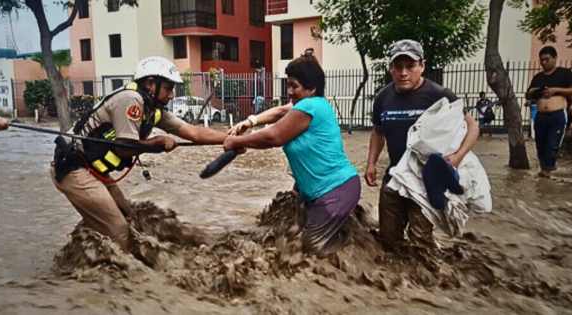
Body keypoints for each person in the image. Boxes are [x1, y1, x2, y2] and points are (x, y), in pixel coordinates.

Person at [50, 56, 229, 251]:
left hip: (94, 170)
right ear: (151, 83)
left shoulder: (153, 110)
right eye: (168, 88)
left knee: (130, 217)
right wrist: (156, 142)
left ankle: (85, 250)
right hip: (73, 167)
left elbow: (194, 132)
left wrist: (231, 139)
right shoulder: (131, 100)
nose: (171, 95)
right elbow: (124, 147)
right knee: (120, 230)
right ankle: (116, 275)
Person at [224, 54, 360, 258]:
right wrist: (249, 122)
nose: (289, 91)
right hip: (327, 191)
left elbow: (273, 137)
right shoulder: (311, 104)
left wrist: (236, 142)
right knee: (296, 241)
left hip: (335, 191)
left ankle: (353, 254)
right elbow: (279, 111)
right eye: (288, 85)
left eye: (294, 86)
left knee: (312, 249)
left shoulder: (310, 106)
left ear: (312, 88)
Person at [364, 39, 479, 251]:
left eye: (410, 66)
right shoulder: (383, 97)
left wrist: (457, 157)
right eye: (398, 67)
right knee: (388, 242)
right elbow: (378, 131)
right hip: (394, 177)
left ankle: (430, 281)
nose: (404, 73)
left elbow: (472, 127)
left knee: (420, 244)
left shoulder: (439, 95)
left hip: (426, 182)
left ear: (422, 66)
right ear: (391, 68)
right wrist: (371, 163)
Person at [526, 46, 572, 178]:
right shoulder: (538, 77)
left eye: (547, 59)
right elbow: (527, 95)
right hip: (540, 115)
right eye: (541, 60)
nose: (544, 63)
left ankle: (547, 172)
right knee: (540, 145)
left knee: (552, 144)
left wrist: (555, 90)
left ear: (555, 58)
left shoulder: (564, 73)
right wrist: (532, 92)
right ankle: (543, 170)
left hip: (557, 115)